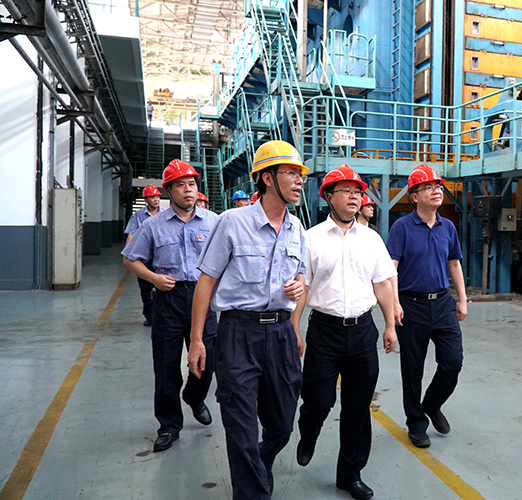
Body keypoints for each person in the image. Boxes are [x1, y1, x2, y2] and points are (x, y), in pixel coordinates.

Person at [187, 140, 307, 500]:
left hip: (280, 334)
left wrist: (298, 289)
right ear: (268, 178)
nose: (300, 181)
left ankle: (257, 465)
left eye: (300, 174)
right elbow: (206, 281)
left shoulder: (297, 228)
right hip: (238, 333)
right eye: (291, 173)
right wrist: (197, 339)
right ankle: (253, 491)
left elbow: (301, 277)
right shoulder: (232, 223)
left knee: (282, 426)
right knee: (240, 429)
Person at [295, 165, 397, 500]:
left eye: (358, 192)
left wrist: (389, 325)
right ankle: (308, 431)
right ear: (328, 196)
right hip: (324, 332)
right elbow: (302, 287)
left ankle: (350, 475)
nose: (355, 197)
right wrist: (294, 329)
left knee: (357, 407)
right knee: (318, 399)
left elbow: (383, 284)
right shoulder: (311, 238)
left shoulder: (371, 239)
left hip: (363, 330)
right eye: (347, 191)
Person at [121, 160, 219, 452]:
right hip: (169, 300)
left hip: (203, 300)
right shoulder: (152, 226)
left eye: (192, 184)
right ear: (168, 190)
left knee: (208, 361)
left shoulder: (214, 222)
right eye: (181, 185)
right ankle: (169, 425)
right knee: (166, 367)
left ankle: (194, 396)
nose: (188, 190)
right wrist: (154, 278)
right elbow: (130, 258)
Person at [385, 164, 468, 449]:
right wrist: (394, 304)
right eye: (429, 187)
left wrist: (462, 298)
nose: (436, 191)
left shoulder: (448, 227)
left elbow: (454, 263)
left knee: (453, 362)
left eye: (438, 187)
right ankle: (416, 423)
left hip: (443, 303)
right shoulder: (402, 227)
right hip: (411, 305)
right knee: (413, 369)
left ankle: (432, 404)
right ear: (414, 196)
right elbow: (391, 269)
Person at [124, 184, 164, 326]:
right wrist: (130, 256)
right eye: (152, 197)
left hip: (162, 257)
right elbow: (131, 235)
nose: (156, 200)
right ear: (146, 200)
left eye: (157, 197)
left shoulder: (166, 214)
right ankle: (149, 315)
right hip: (145, 259)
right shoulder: (137, 216)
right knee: (146, 288)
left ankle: (162, 315)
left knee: (163, 288)